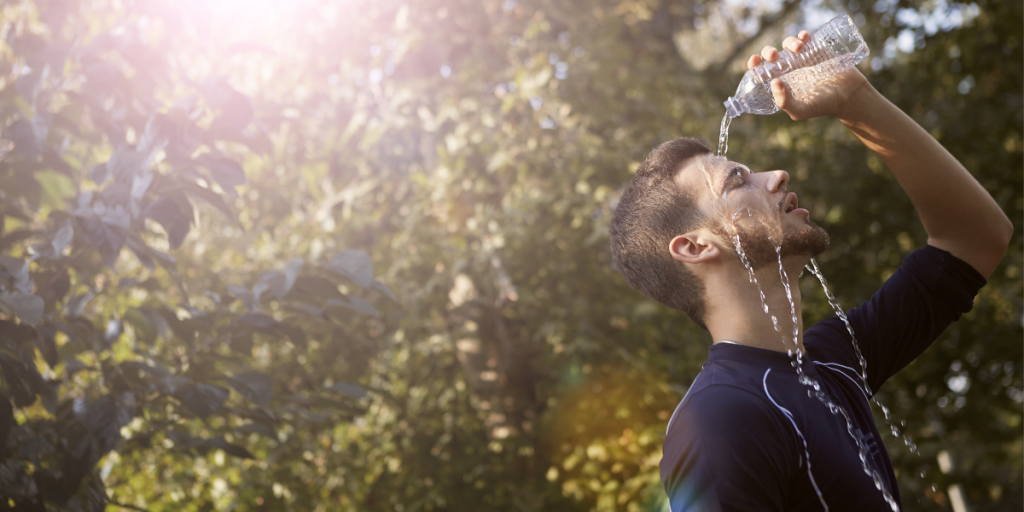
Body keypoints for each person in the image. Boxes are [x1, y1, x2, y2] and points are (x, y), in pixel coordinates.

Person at [608, 29, 1013, 511]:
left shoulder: (834, 358)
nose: (776, 174)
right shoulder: (719, 420)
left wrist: (855, 99)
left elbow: (975, 238)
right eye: (738, 180)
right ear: (695, 247)